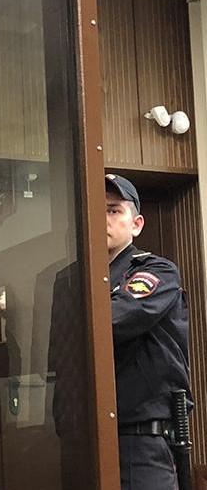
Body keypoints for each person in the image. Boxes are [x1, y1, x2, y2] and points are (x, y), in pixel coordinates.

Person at [105, 173, 191, 490]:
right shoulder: (72, 281)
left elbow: (115, 320)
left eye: (114, 210)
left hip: (140, 441)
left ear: (136, 224)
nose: (104, 219)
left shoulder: (156, 271)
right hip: (86, 437)